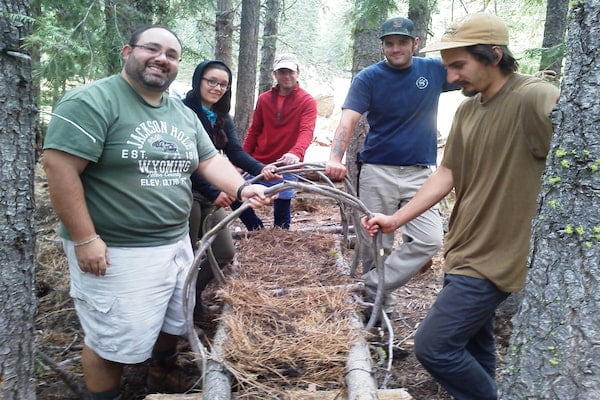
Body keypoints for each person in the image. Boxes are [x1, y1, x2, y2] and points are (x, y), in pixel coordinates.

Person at [42, 26, 271, 399]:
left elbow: (209, 159)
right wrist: (85, 238)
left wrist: (243, 188)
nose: (162, 59)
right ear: (128, 50)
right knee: (110, 338)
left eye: (172, 54)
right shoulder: (92, 101)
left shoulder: (180, 114)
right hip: (115, 250)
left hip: (175, 240)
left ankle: (161, 373)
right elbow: (59, 168)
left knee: (175, 317)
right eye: (152, 49)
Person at [362, 13, 560, 399]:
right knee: (474, 346)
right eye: (448, 67)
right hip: (464, 248)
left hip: (498, 257)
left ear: (494, 55)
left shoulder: (533, 97)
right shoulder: (470, 109)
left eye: (459, 66)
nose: (451, 78)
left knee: (434, 347)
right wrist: (395, 219)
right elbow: (447, 172)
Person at [325, 17, 456, 316]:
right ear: (383, 45)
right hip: (377, 170)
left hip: (421, 173)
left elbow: (472, 77)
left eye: (402, 42)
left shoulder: (433, 70)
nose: (395, 48)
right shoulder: (369, 77)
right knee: (375, 244)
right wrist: (335, 157)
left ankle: (371, 285)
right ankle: (378, 311)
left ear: (415, 43)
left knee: (428, 239)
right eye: (389, 43)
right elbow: (349, 118)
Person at [181, 60, 278, 316]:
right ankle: (181, 311)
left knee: (223, 252)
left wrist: (261, 169)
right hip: (187, 194)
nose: (217, 87)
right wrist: (215, 190)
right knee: (186, 257)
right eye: (211, 81)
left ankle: (192, 300)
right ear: (198, 80)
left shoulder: (222, 117)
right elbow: (190, 161)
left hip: (213, 195)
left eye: (223, 84)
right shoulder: (182, 112)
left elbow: (234, 152)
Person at [240, 52, 317, 229]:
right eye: (282, 71)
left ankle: (279, 243)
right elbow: (254, 131)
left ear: (298, 73)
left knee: (282, 217)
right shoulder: (264, 99)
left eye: (290, 71)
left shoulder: (307, 101)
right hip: (259, 162)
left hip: (287, 165)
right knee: (235, 196)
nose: (287, 76)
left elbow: (306, 131)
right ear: (275, 74)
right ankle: (256, 229)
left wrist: (295, 153)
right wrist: (242, 159)